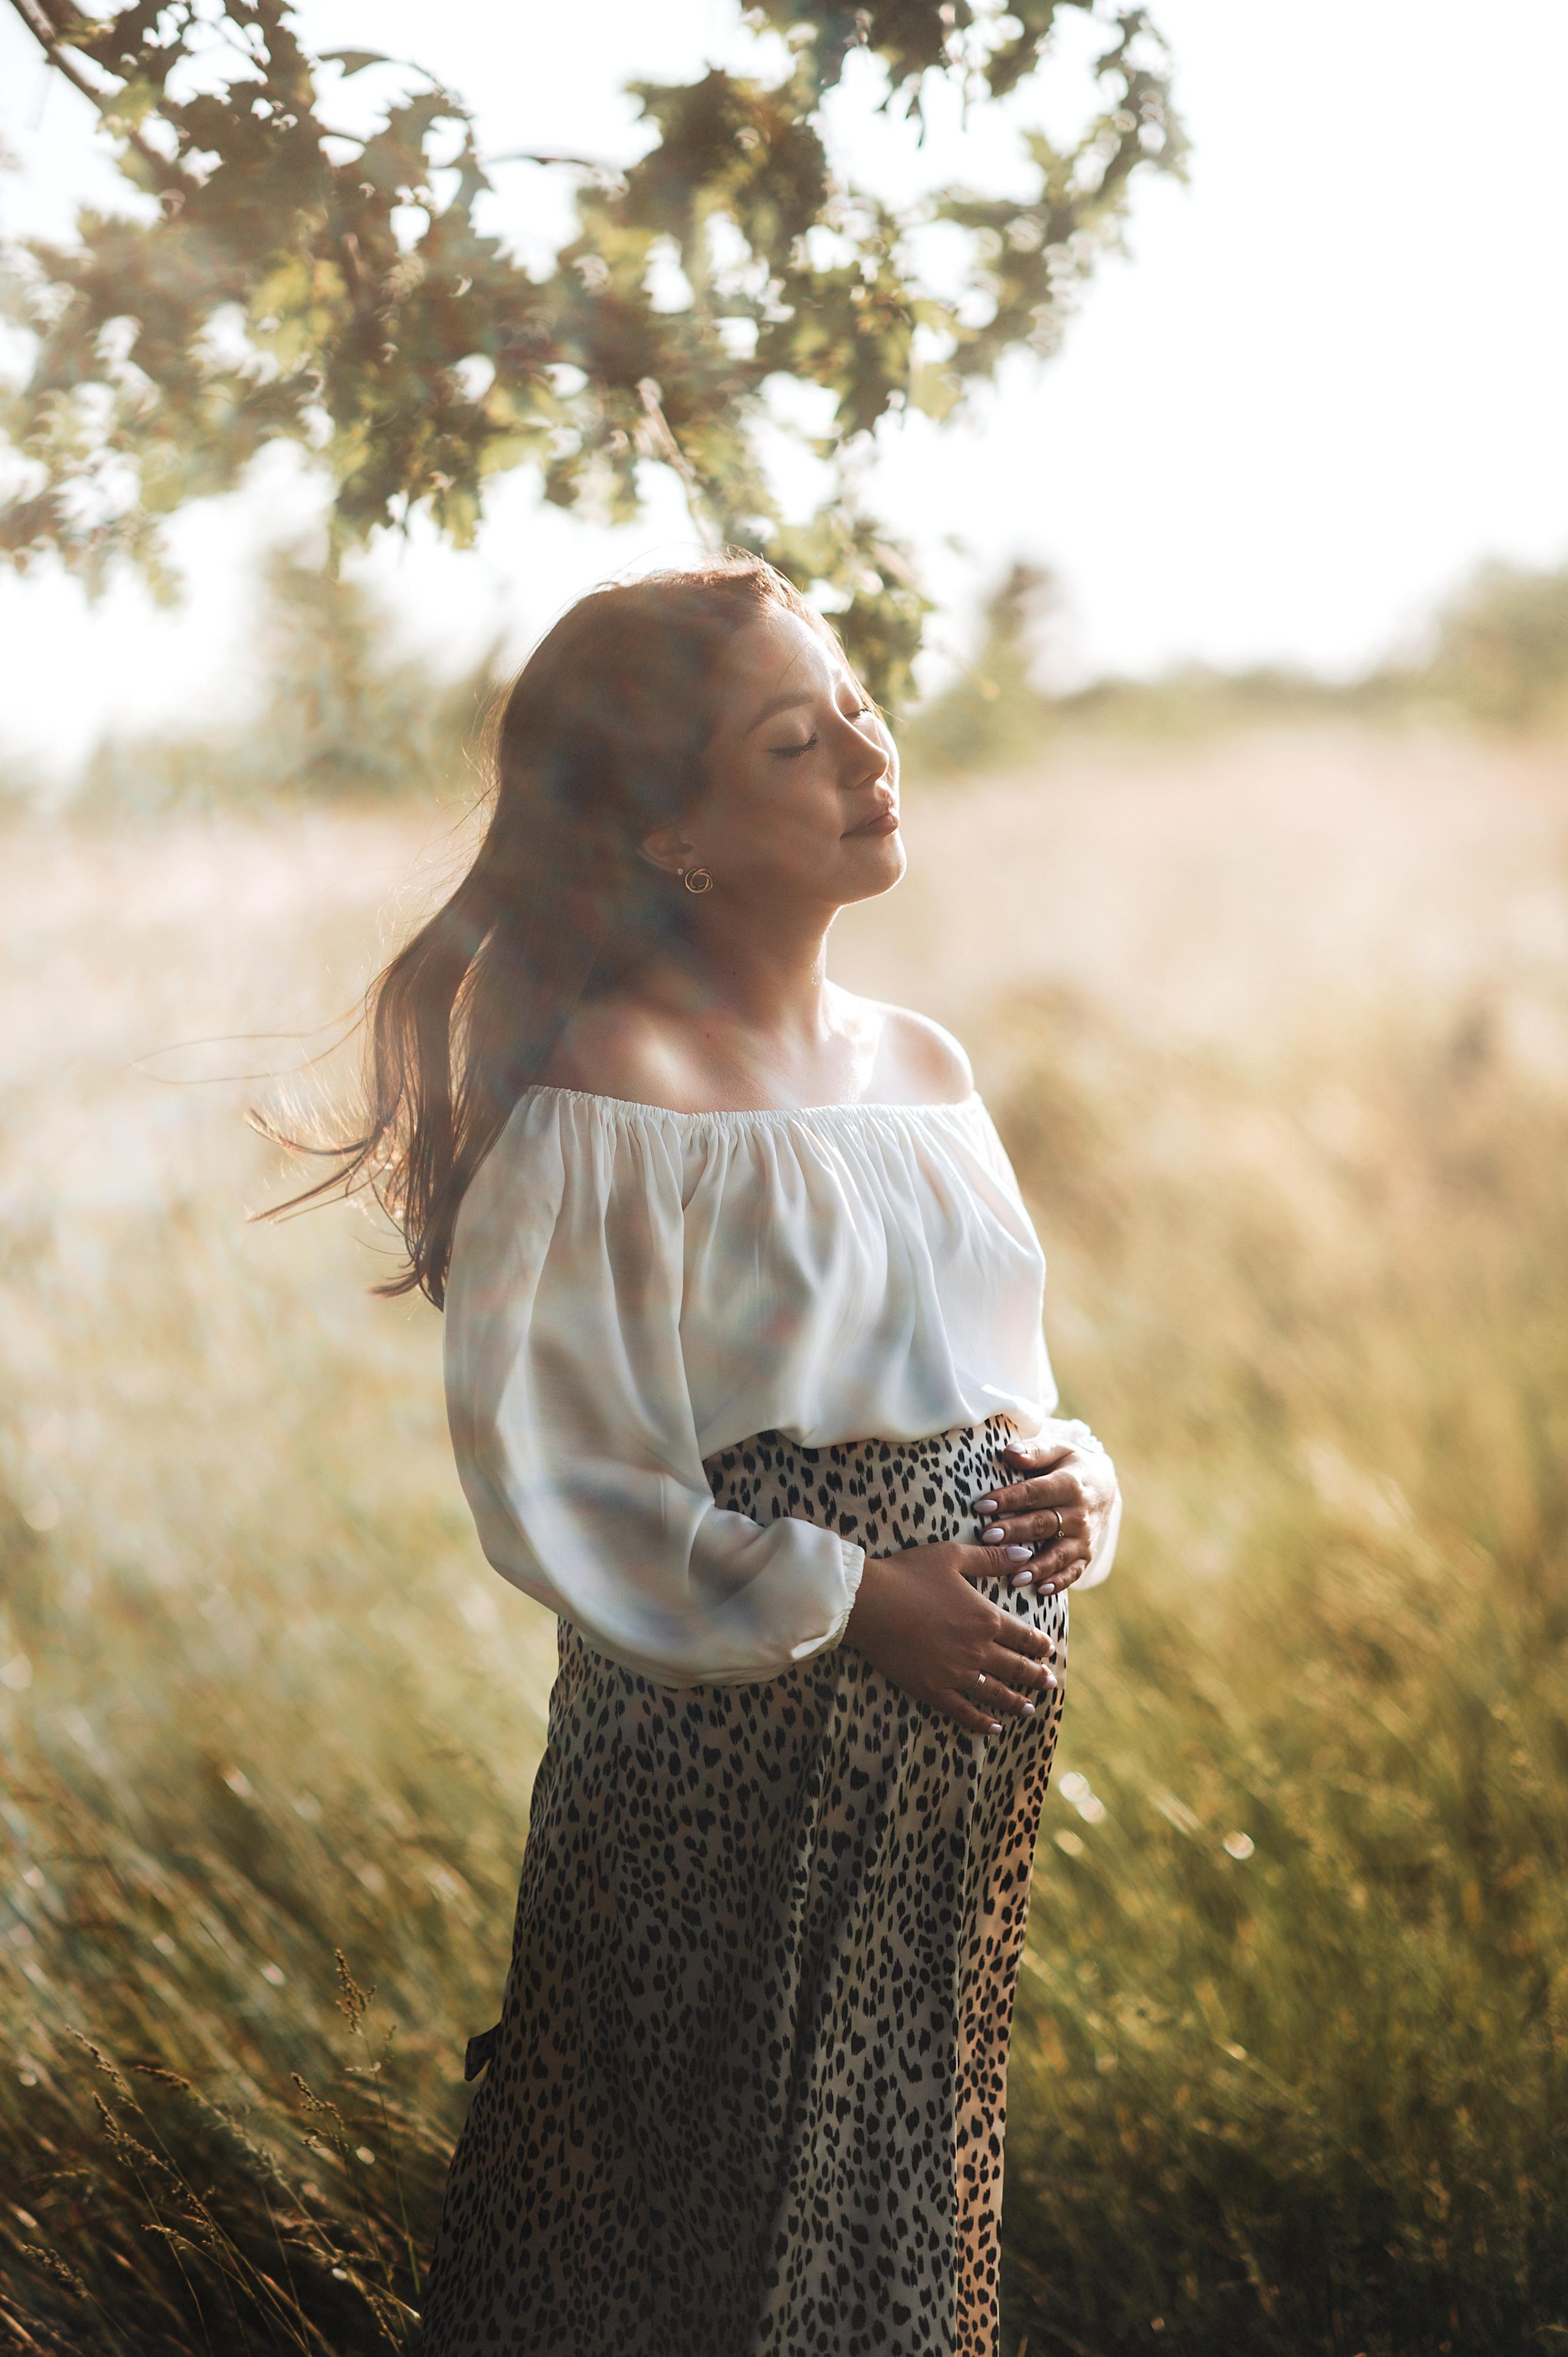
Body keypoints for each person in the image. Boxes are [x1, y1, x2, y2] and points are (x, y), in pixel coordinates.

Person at [322, 559, 1120, 2357]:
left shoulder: (923, 1068)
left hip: (938, 1804)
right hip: (720, 1783)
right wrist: (849, 1601)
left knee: (885, 2213)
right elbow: (560, 1483)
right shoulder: (618, 1098)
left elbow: (987, 1378)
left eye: (850, 702)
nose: (863, 746)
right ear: (673, 830)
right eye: (792, 736)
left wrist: (1071, 1474)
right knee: (666, 2234)